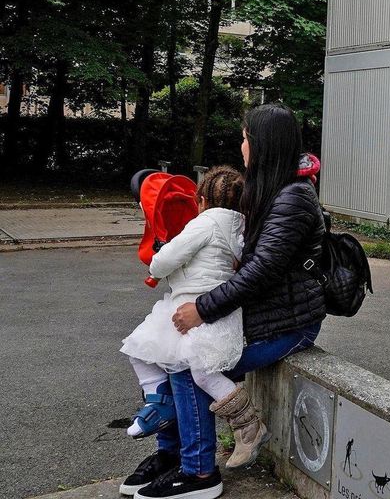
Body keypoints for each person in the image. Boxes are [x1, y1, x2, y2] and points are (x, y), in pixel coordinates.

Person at [122, 104, 327, 499]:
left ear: (263, 144)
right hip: (261, 315)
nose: (242, 145)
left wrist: (201, 309)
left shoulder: (293, 198)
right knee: (167, 351)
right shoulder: (269, 190)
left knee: (185, 362)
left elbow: (260, 272)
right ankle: (172, 456)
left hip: (290, 324)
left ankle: (199, 474)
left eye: (247, 138)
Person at [120, 166, 247, 443]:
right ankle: (243, 421)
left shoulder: (204, 223)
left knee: (140, 348)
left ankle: (160, 401)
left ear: (201, 201)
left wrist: (155, 264)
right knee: (200, 371)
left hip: (193, 307)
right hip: (219, 308)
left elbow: (167, 259)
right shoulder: (241, 225)